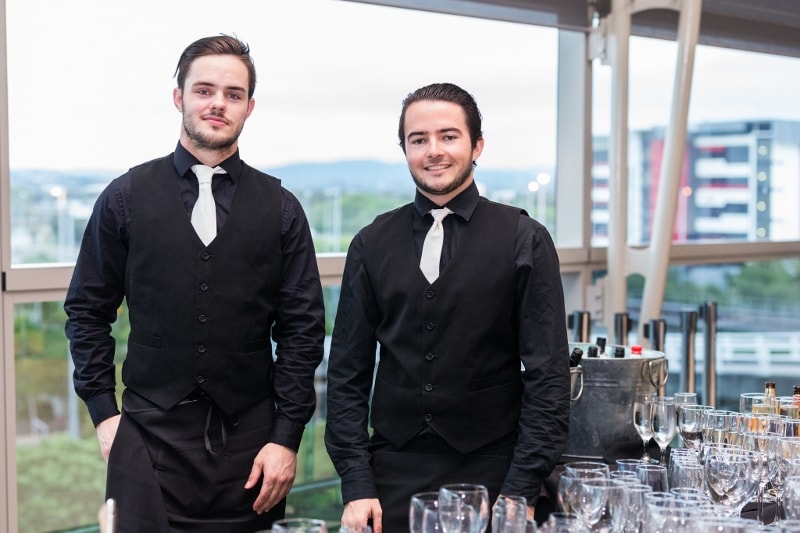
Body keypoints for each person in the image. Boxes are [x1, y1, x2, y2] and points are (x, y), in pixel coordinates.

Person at [64, 35, 326, 532]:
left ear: (249, 107)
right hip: (145, 437)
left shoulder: (283, 208)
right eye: (204, 90)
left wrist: (286, 437)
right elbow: (87, 312)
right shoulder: (124, 197)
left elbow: (302, 331)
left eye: (232, 94)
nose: (217, 104)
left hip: (253, 450)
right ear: (179, 96)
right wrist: (104, 414)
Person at [324, 82, 571, 533]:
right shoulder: (371, 241)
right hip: (391, 475)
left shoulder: (524, 238)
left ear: (476, 145)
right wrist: (356, 483)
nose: (433, 151)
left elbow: (547, 379)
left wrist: (520, 491)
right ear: (405, 150)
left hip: (495, 473)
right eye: (418, 140)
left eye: (448, 136)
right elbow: (346, 375)